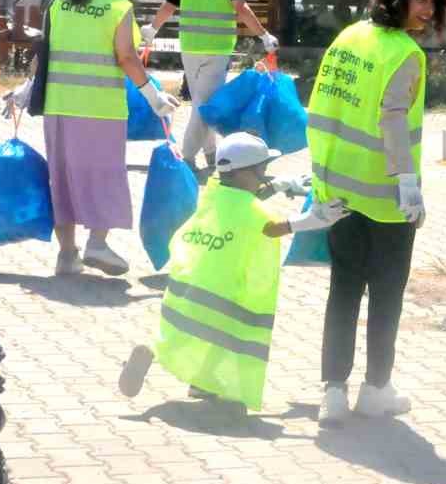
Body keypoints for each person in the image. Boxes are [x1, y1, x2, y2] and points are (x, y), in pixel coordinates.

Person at [307, 0, 446, 426]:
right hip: (386, 199)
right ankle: (375, 389)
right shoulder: (404, 53)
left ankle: (332, 392)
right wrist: (409, 186)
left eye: (433, 0)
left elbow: (323, 106)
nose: (428, 10)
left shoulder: (350, 37)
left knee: (343, 290)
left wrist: (320, 178)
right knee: (386, 295)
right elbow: (391, 118)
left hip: (340, 188)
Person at [117, 132, 346, 413]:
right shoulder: (251, 210)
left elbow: (243, 192)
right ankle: (209, 383)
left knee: (182, 332)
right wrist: (313, 219)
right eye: (261, 170)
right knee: (225, 336)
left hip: (190, 282)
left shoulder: (215, 192)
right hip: (224, 292)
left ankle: (174, 364)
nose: (264, 175)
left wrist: (279, 185)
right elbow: (273, 227)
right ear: (243, 173)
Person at [6, 0, 180, 276]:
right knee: (104, 175)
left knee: (63, 179)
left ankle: (67, 255)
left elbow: (47, 52)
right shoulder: (118, 6)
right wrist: (153, 96)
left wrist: (26, 88)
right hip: (101, 108)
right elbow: (127, 57)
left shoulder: (60, 3)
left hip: (58, 106)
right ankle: (97, 244)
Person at [142, 0, 281, 173]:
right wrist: (264, 35)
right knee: (203, 106)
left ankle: (210, 153)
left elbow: (169, 5)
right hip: (216, 49)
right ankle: (185, 158)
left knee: (201, 101)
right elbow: (241, 9)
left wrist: (153, 28)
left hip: (191, 47)